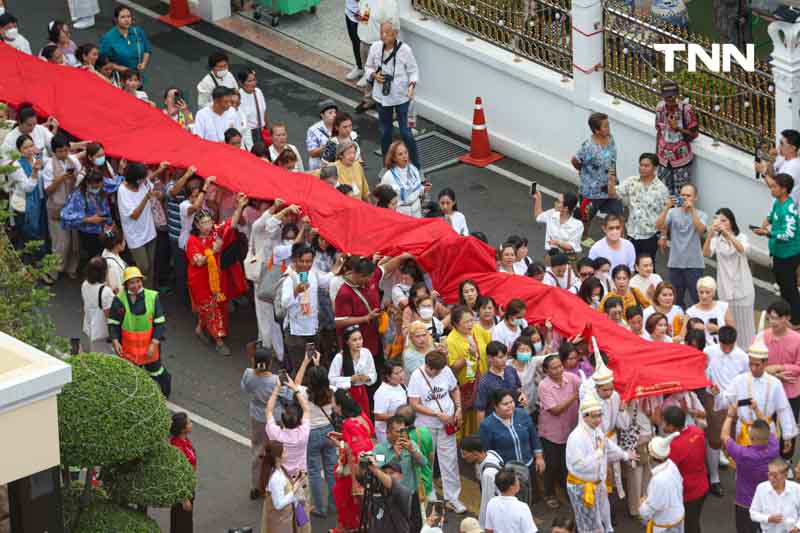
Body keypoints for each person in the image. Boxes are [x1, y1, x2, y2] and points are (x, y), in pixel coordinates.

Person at [565, 395, 637, 533]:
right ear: (584, 416)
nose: (598, 420)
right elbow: (580, 465)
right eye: (594, 416)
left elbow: (609, 446)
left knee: (604, 511)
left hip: (598, 482)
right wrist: (599, 452)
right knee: (589, 523)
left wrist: (625, 455)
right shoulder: (575, 438)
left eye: (599, 415)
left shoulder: (596, 430)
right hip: (582, 486)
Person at [408, 350, 466, 514]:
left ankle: (452, 498)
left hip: (447, 424)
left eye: (438, 371)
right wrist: (436, 414)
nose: (435, 373)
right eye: (432, 370)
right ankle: (429, 493)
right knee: (426, 459)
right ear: (427, 365)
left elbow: (454, 389)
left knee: (450, 460)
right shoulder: (416, 376)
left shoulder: (446, 371)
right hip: (426, 425)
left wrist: (458, 407)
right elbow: (414, 403)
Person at [726, 335, 797, 459]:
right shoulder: (739, 380)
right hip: (744, 431)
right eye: (750, 364)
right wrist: (716, 394)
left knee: (766, 466)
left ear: (765, 363)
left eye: (757, 365)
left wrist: (787, 436)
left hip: (767, 431)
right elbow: (727, 399)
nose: (753, 368)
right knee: (746, 466)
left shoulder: (775, 383)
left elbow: (783, 409)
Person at [241, 342, 295, 499]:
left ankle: (256, 486)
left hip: (257, 416)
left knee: (258, 450)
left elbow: (245, 388)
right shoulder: (275, 381)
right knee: (276, 452)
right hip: (275, 418)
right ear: (269, 363)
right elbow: (289, 396)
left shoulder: (248, 374)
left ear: (253, 361)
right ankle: (273, 485)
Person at [364, 19, 420, 168]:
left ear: (395, 33)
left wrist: (412, 86)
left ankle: (416, 166)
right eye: (381, 32)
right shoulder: (375, 48)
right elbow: (368, 67)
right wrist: (374, 76)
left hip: (402, 97)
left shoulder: (405, 50)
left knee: (406, 133)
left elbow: (413, 71)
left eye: (387, 33)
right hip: (382, 96)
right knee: (385, 133)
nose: (383, 36)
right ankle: (387, 166)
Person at [280, 242, 343, 373]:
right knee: (299, 369)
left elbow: (326, 280)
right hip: (296, 333)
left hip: (313, 330)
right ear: (295, 260)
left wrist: (338, 265)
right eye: (301, 261)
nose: (305, 264)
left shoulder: (313, 274)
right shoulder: (289, 278)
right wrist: (296, 291)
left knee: (313, 366)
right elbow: (284, 303)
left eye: (308, 261)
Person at [107, 267, 169, 396]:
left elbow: (160, 323)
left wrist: (154, 343)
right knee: (133, 374)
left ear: (142, 281)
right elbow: (113, 322)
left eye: (137, 281)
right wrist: (115, 340)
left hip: (150, 347)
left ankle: (165, 394)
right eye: (131, 282)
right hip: (129, 349)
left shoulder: (152, 297)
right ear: (126, 285)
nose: (135, 285)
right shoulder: (119, 300)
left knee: (156, 372)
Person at [704, 325, 748, 495]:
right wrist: (710, 385)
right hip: (714, 400)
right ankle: (714, 478)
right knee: (714, 440)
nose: (727, 349)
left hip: (735, 402)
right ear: (719, 341)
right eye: (724, 345)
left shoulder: (743, 357)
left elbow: (745, 380)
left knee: (738, 440)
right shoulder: (709, 351)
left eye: (730, 345)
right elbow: (702, 372)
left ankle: (741, 477)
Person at [703, 207, 756, 349]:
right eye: (718, 220)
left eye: (724, 220)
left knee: (747, 327)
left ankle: (749, 352)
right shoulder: (716, 239)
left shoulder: (741, 237)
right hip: (725, 288)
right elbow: (706, 253)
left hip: (743, 288)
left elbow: (742, 249)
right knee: (729, 324)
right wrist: (710, 235)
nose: (720, 223)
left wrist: (728, 235)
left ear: (731, 222)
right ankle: (732, 351)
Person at [537, 353, 581, 509]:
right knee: (552, 465)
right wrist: (575, 397)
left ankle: (566, 491)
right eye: (554, 368)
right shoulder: (544, 386)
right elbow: (555, 410)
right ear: (546, 370)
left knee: (566, 464)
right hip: (552, 433)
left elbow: (586, 388)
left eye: (560, 366)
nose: (558, 370)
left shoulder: (572, 378)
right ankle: (549, 493)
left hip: (571, 430)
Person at [756, 174, 800, 327]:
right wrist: (765, 223)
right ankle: (789, 314)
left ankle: (795, 320)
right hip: (779, 253)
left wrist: (768, 233)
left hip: (788, 255)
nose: (771, 189)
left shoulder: (788, 209)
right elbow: (771, 217)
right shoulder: (777, 203)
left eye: (775, 187)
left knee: (789, 288)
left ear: (784, 190)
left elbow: (788, 234)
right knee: (784, 286)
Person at [479, 389, 545, 489]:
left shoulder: (522, 414)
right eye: (505, 404)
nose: (510, 406)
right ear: (496, 406)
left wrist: (539, 458)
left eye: (511, 402)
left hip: (527, 465)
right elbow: (487, 452)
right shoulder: (487, 425)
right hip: (506, 473)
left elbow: (534, 437)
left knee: (531, 497)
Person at [655, 183, 708, 308]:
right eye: (682, 195)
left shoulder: (702, 214)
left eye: (688, 196)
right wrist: (667, 207)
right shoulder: (672, 212)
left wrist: (692, 210)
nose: (685, 198)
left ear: (695, 198)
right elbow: (658, 225)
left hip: (694, 264)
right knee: (675, 300)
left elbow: (700, 230)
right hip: (675, 263)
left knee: (698, 298)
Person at [329, 388, 375, 532]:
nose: (333, 407)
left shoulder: (348, 424)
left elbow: (355, 450)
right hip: (369, 463)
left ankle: (346, 527)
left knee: (342, 495)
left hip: (355, 469)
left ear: (340, 406)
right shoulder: (362, 415)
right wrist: (342, 437)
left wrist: (339, 444)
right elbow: (367, 437)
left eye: (334, 404)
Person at [571, 112, 620, 245]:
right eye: (605, 126)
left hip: (609, 186)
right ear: (596, 130)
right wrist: (584, 172)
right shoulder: (588, 147)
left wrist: (614, 177)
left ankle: (621, 240)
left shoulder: (610, 139)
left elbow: (612, 160)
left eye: (608, 125)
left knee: (618, 212)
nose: (608, 128)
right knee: (587, 216)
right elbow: (575, 160)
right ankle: (584, 236)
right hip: (591, 190)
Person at [609, 152, 670, 260]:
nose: (642, 168)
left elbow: (665, 214)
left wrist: (663, 236)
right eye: (641, 165)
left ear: (655, 168)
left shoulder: (661, 189)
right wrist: (611, 181)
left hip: (650, 236)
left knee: (646, 268)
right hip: (631, 234)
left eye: (646, 166)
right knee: (628, 264)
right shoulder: (631, 181)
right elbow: (614, 194)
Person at [763, 300, 800, 463]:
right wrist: (777, 374)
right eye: (770, 318)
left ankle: (786, 458)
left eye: (777, 318)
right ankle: (767, 455)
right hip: (767, 389)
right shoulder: (762, 336)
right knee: (765, 423)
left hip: (791, 391)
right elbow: (755, 362)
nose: (773, 322)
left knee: (789, 426)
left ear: (787, 318)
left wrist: (778, 367)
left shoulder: (797, 339)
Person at [42, 135, 82, 282]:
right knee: (60, 242)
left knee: (74, 241)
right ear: (54, 151)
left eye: (66, 150)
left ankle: (71, 268)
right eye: (60, 151)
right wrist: (60, 179)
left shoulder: (73, 161)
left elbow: (80, 176)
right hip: (57, 208)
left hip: (72, 207)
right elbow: (48, 190)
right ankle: (52, 272)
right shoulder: (48, 166)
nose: (64, 154)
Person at [117, 162, 164, 288]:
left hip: (150, 232)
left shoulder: (143, 184)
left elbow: (150, 181)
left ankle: (149, 292)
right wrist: (146, 198)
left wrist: (160, 170)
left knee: (151, 266)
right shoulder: (122, 191)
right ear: (136, 179)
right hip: (135, 236)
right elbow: (134, 215)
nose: (145, 180)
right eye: (143, 178)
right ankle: (137, 289)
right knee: (143, 266)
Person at [448, 304, 492, 437]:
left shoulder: (477, 330)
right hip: (465, 385)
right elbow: (453, 366)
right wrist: (468, 355)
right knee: (465, 420)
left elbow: (488, 346)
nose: (470, 324)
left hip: (483, 380)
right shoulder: (451, 340)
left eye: (471, 320)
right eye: (466, 322)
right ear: (455, 323)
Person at [663, 405, 708, 533]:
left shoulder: (674, 445)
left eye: (665, 423)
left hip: (688, 492)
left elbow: (668, 471)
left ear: (672, 426)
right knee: (694, 522)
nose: (663, 426)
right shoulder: (697, 431)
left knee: (689, 526)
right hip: (702, 485)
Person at [60, 169, 116, 265]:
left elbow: (117, 183)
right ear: (87, 183)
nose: (96, 188)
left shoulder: (103, 188)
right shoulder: (78, 195)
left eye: (99, 185)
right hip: (89, 233)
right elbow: (65, 215)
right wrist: (89, 219)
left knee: (108, 253)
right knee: (95, 258)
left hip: (106, 230)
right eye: (93, 186)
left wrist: (110, 224)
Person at [304, 364, 338, 517]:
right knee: (332, 469)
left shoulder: (304, 394)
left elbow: (293, 384)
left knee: (314, 471)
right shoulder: (332, 391)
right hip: (330, 431)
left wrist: (306, 362)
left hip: (312, 433)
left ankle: (319, 508)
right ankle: (335, 504)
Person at [266, 371, 311, 483]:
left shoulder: (275, 433)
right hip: (300, 475)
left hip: (281, 475)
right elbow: (306, 409)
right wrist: (295, 389)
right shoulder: (303, 433)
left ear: (282, 420)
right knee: (301, 499)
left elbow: (268, 410)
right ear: (299, 420)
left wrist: (277, 388)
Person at [655, 80, 698, 196]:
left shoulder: (686, 110)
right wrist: (656, 156)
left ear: (677, 94)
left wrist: (678, 128)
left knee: (681, 196)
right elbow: (659, 131)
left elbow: (693, 134)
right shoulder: (660, 108)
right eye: (667, 97)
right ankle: (667, 214)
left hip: (681, 161)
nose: (670, 99)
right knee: (664, 195)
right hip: (663, 160)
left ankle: (678, 214)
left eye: (672, 96)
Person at [6, 134, 46, 256]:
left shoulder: (36, 160)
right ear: (19, 150)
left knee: (40, 232)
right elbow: (27, 188)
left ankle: (40, 263)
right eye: (25, 147)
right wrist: (34, 171)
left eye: (31, 146)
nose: (29, 150)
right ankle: (27, 265)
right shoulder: (16, 165)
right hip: (25, 206)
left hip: (39, 202)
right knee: (28, 234)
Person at [361, 456, 423, 533]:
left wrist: (375, 469)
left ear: (401, 476)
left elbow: (392, 483)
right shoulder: (377, 491)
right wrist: (360, 462)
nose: (388, 475)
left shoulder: (404, 492)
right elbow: (360, 478)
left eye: (391, 473)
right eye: (385, 473)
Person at [639, 433, 685, 533]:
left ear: (651, 457)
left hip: (666, 527)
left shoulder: (659, 480)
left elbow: (650, 509)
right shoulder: (672, 465)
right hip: (677, 518)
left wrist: (643, 504)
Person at [259, 440, 309, 533]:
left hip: (285, 517)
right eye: (285, 452)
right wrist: (294, 490)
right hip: (281, 521)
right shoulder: (275, 478)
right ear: (278, 457)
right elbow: (278, 504)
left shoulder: (279, 469)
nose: (287, 454)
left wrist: (296, 480)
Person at [329, 325, 378, 416]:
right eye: (354, 340)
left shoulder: (366, 352)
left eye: (360, 339)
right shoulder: (340, 357)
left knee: (365, 418)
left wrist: (367, 378)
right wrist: (350, 379)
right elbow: (331, 379)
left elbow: (373, 374)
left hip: (362, 392)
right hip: (346, 394)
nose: (358, 342)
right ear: (347, 342)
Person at [373, 415, 428, 494]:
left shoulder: (410, 444)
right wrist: (396, 456)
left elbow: (423, 463)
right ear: (388, 432)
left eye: (403, 431)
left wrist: (413, 451)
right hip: (390, 494)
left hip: (410, 493)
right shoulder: (379, 449)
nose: (401, 434)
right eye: (398, 432)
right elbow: (380, 471)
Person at [475, 341, 524, 422]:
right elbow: (481, 410)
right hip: (497, 423)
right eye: (500, 357)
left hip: (516, 418)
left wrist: (522, 395)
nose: (504, 360)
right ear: (490, 358)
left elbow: (518, 388)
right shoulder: (485, 381)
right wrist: (482, 432)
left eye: (506, 356)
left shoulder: (511, 370)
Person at [395, 403, 435, 503]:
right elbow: (431, 458)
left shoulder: (400, 440)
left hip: (409, 484)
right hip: (426, 480)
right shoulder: (425, 431)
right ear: (415, 417)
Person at [461, 434, 502, 528]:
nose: (463, 457)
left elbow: (487, 502)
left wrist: (483, 526)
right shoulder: (492, 454)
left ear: (475, 453)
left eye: (464, 453)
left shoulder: (488, 474)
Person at [749, 458, 800, 532]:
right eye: (769, 474)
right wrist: (768, 518)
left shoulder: (796, 489)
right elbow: (753, 513)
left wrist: (797, 527)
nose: (771, 478)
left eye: (775, 475)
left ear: (785, 475)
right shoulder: (761, 488)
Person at [380, 141, 428, 217]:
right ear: (394, 158)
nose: (404, 156)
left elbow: (416, 190)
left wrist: (424, 189)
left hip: (417, 211)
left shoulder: (414, 170)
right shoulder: (388, 176)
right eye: (400, 154)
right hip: (401, 213)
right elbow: (382, 198)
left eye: (406, 152)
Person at [99, 6, 151, 75]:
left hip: (136, 76)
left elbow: (147, 50)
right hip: (118, 76)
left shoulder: (138, 31)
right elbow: (103, 60)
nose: (127, 20)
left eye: (128, 16)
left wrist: (144, 63)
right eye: (123, 17)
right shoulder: (108, 38)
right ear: (116, 19)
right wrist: (121, 69)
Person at [485, 468, 539, 533]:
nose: (519, 481)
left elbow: (489, 530)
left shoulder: (492, 503)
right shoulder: (522, 508)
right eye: (517, 480)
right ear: (511, 486)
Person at [685, 276, 735, 345]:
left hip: (722, 348)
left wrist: (719, 329)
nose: (704, 296)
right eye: (701, 292)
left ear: (714, 293)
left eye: (707, 292)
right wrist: (693, 330)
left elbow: (733, 334)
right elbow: (683, 338)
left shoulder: (723, 307)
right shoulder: (691, 312)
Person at [533, 189, 582, 256]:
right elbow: (538, 216)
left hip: (567, 259)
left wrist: (557, 243)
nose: (555, 203)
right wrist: (538, 199)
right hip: (551, 255)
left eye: (558, 201)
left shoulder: (578, 225)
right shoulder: (552, 213)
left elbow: (572, 246)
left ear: (566, 208)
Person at [169, 412, 196, 533]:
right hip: (182, 491)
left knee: (185, 522)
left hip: (189, 487)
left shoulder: (184, 441)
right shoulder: (177, 448)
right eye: (189, 422)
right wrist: (184, 498)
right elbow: (176, 475)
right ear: (183, 429)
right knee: (181, 524)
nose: (192, 424)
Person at [81, 256, 114, 354]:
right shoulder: (105, 291)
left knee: (94, 352)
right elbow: (109, 315)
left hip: (90, 324)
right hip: (102, 331)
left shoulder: (85, 284)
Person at [373, 360, 408, 442]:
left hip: (400, 429)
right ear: (387, 376)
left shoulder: (401, 385)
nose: (401, 375)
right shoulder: (382, 392)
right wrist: (400, 417)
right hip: (386, 433)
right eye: (396, 373)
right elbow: (378, 416)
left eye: (401, 371)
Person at [307, 99, 338, 171]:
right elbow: (312, 153)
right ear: (322, 115)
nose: (334, 115)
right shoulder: (313, 130)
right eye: (330, 113)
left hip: (334, 165)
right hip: (318, 166)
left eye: (335, 112)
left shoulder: (339, 126)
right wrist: (326, 147)